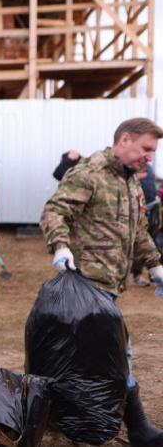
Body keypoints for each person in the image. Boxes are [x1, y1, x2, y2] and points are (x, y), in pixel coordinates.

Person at [41, 117, 163, 446]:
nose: (150, 157)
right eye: (146, 148)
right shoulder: (89, 172)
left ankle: (74, 421)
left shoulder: (130, 182)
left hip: (110, 286)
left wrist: (154, 265)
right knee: (116, 353)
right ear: (125, 140)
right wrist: (61, 246)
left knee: (90, 358)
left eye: (153, 151)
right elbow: (54, 211)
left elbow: (138, 231)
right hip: (85, 286)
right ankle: (135, 427)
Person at [132, 165, 159, 286]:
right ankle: (137, 275)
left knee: (152, 242)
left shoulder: (149, 168)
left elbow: (152, 186)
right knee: (139, 243)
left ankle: (154, 275)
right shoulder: (131, 167)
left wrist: (156, 195)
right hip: (138, 211)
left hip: (152, 210)